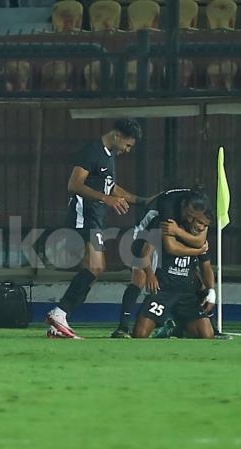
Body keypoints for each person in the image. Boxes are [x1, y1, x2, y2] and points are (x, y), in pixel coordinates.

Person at [46, 118, 148, 340]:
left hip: (95, 219)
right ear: (117, 135)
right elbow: (74, 184)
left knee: (93, 269)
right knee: (96, 266)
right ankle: (59, 313)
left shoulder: (108, 156)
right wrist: (105, 199)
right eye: (127, 145)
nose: (127, 150)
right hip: (84, 216)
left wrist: (141, 201)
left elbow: (111, 187)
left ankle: (59, 321)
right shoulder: (92, 151)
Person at [110, 187, 208, 338]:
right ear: (183, 205)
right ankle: (123, 327)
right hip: (146, 233)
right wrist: (198, 250)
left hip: (170, 238)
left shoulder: (201, 208)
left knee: (195, 280)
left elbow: (201, 240)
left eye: (195, 217)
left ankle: (193, 324)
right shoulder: (167, 209)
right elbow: (170, 247)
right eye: (189, 215)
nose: (191, 220)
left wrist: (192, 241)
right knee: (140, 275)